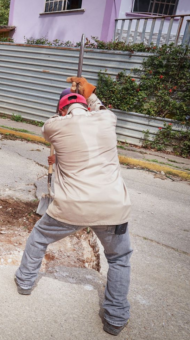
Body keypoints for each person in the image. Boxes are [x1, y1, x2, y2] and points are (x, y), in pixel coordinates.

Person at [15, 77, 133, 336]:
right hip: (113, 207)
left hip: (72, 206)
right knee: (120, 259)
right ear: (88, 104)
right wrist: (89, 94)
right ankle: (115, 319)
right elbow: (94, 113)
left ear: (60, 110)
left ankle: (24, 283)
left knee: (38, 238)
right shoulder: (107, 118)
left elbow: (63, 129)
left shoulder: (52, 126)